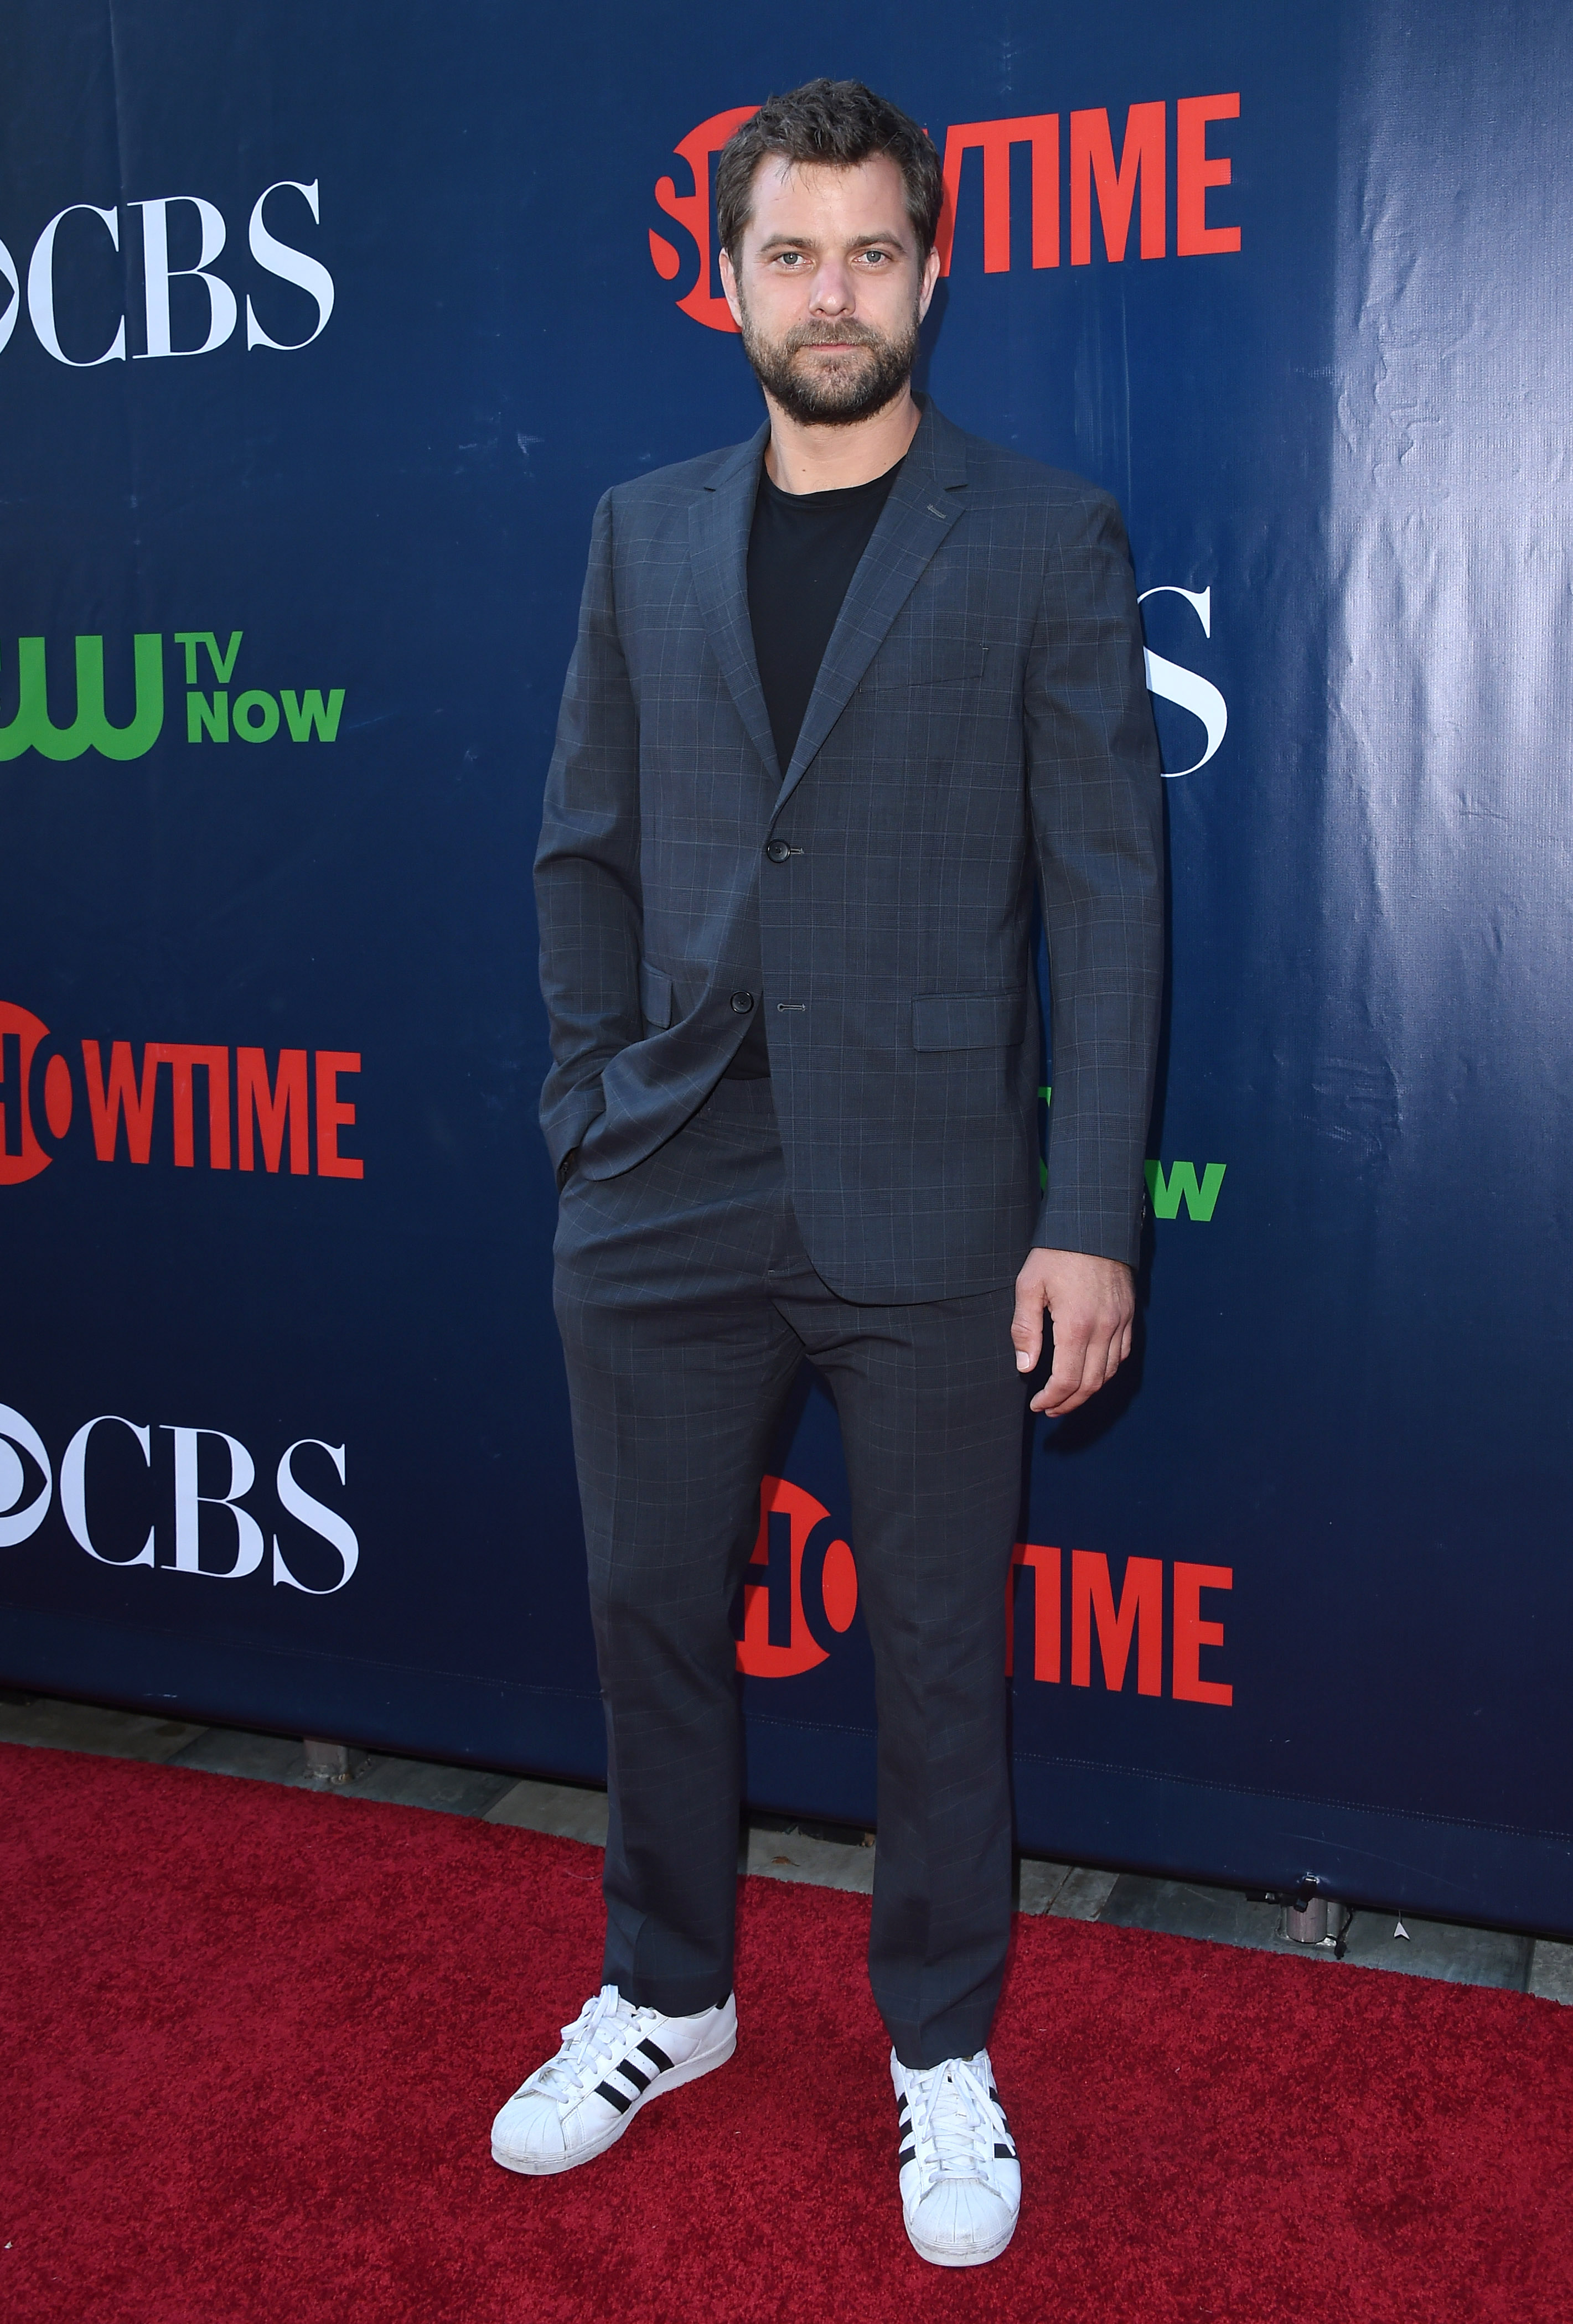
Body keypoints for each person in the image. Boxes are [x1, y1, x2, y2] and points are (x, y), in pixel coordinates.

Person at [494, 78, 1163, 2269]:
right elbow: (584, 850)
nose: (836, 293)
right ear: (731, 282)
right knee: (648, 1615)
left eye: (876, 252)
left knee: (938, 1660)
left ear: (936, 272)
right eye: (796, 253)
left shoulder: (1044, 537)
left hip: (941, 1196)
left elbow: (1110, 897)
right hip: (664, 1176)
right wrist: (592, 1114)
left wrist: (1085, 1216)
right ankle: (669, 1993)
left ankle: (940, 2054)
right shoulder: (640, 532)